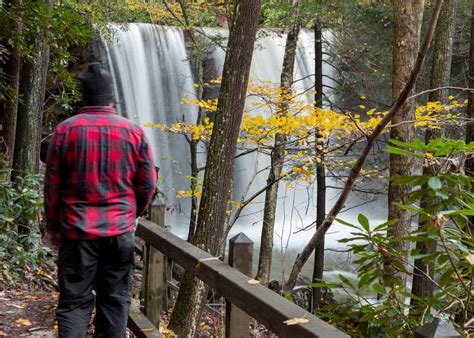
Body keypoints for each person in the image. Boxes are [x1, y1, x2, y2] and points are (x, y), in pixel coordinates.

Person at [44, 63, 157, 337]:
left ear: (83, 94)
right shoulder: (133, 132)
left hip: (76, 232)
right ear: (110, 95)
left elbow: (52, 188)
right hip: (119, 231)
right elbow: (148, 183)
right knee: (115, 300)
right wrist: (133, 213)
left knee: (74, 303)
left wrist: (53, 228)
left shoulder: (65, 131)